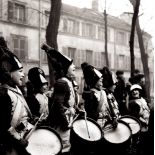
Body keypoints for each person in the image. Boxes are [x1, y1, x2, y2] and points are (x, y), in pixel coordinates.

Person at [42, 44, 80, 155]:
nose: (74, 66)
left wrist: (77, 109)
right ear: (65, 68)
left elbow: (68, 103)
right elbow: (58, 105)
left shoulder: (68, 82)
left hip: (67, 121)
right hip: (61, 124)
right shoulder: (62, 83)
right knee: (62, 149)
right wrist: (65, 123)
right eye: (71, 64)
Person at [0, 37, 34, 155]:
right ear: (9, 73)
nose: (23, 75)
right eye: (20, 71)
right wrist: (17, 142)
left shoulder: (15, 90)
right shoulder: (4, 94)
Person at [128, 84, 150, 155]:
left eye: (136, 90)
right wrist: (145, 122)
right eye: (133, 91)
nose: (134, 92)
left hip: (148, 124)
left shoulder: (143, 100)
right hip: (139, 126)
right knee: (139, 144)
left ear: (139, 91)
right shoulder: (132, 103)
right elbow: (135, 116)